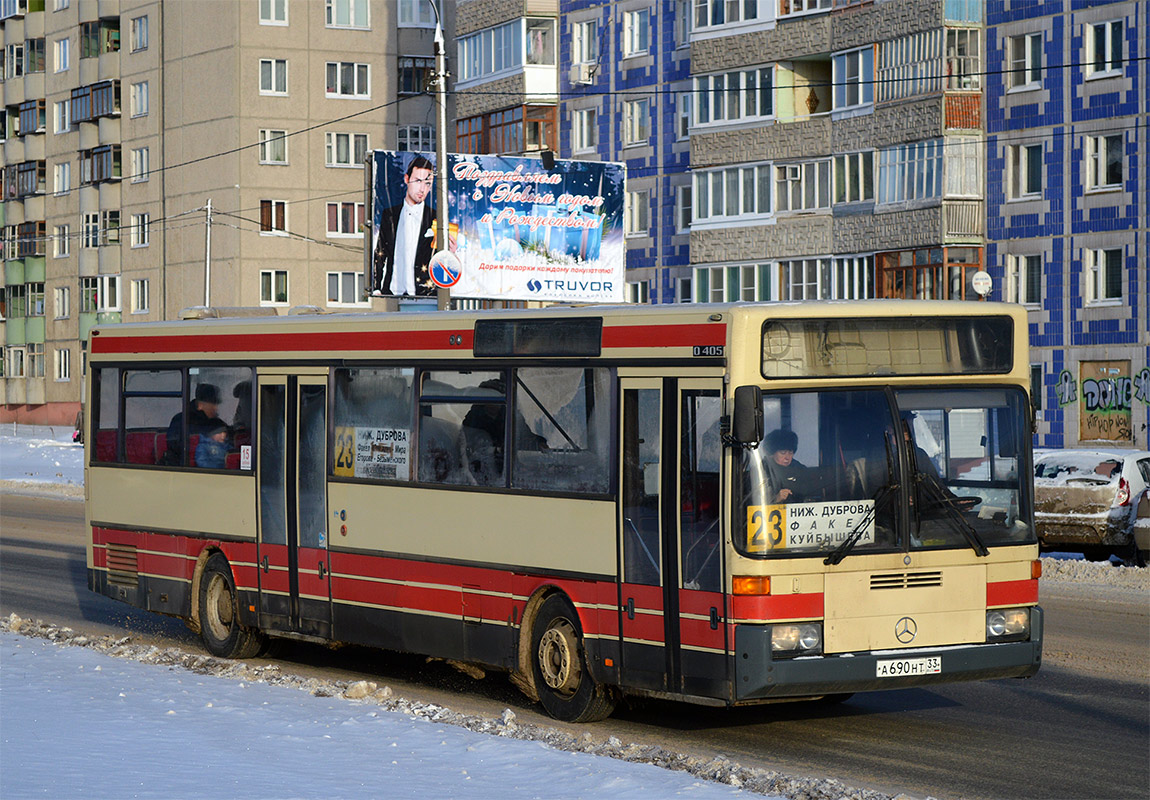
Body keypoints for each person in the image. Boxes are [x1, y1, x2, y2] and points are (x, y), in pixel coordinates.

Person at [372, 156, 436, 297]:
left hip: (424, 291)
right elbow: (381, 251)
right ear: (407, 179)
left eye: (428, 183)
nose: (422, 189)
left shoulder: (435, 217)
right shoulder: (390, 214)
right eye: (418, 181)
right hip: (392, 290)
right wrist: (376, 286)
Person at [461, 378, 546, 480]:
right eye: (488, 399)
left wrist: (539, 443)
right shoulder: (474, 416)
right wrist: (491, 448)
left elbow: (524, 435)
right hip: (480, 468)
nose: (492, 404)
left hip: (507, 465)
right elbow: (468, 440)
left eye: (497, 399)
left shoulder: (511, 415)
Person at [160, 383, 222, 466]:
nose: (216, 408)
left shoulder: (217, 423)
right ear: (201, 405)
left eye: (216, 404)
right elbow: (175, 447)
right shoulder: (180, 420)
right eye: (213, 404)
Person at [764, 428, 811, 503]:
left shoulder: (800, 470)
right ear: (772, 453)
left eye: (790, 453)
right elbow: (752, 503)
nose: (787, 457)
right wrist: (775, 500)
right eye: (783, 453)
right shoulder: (762, 471)